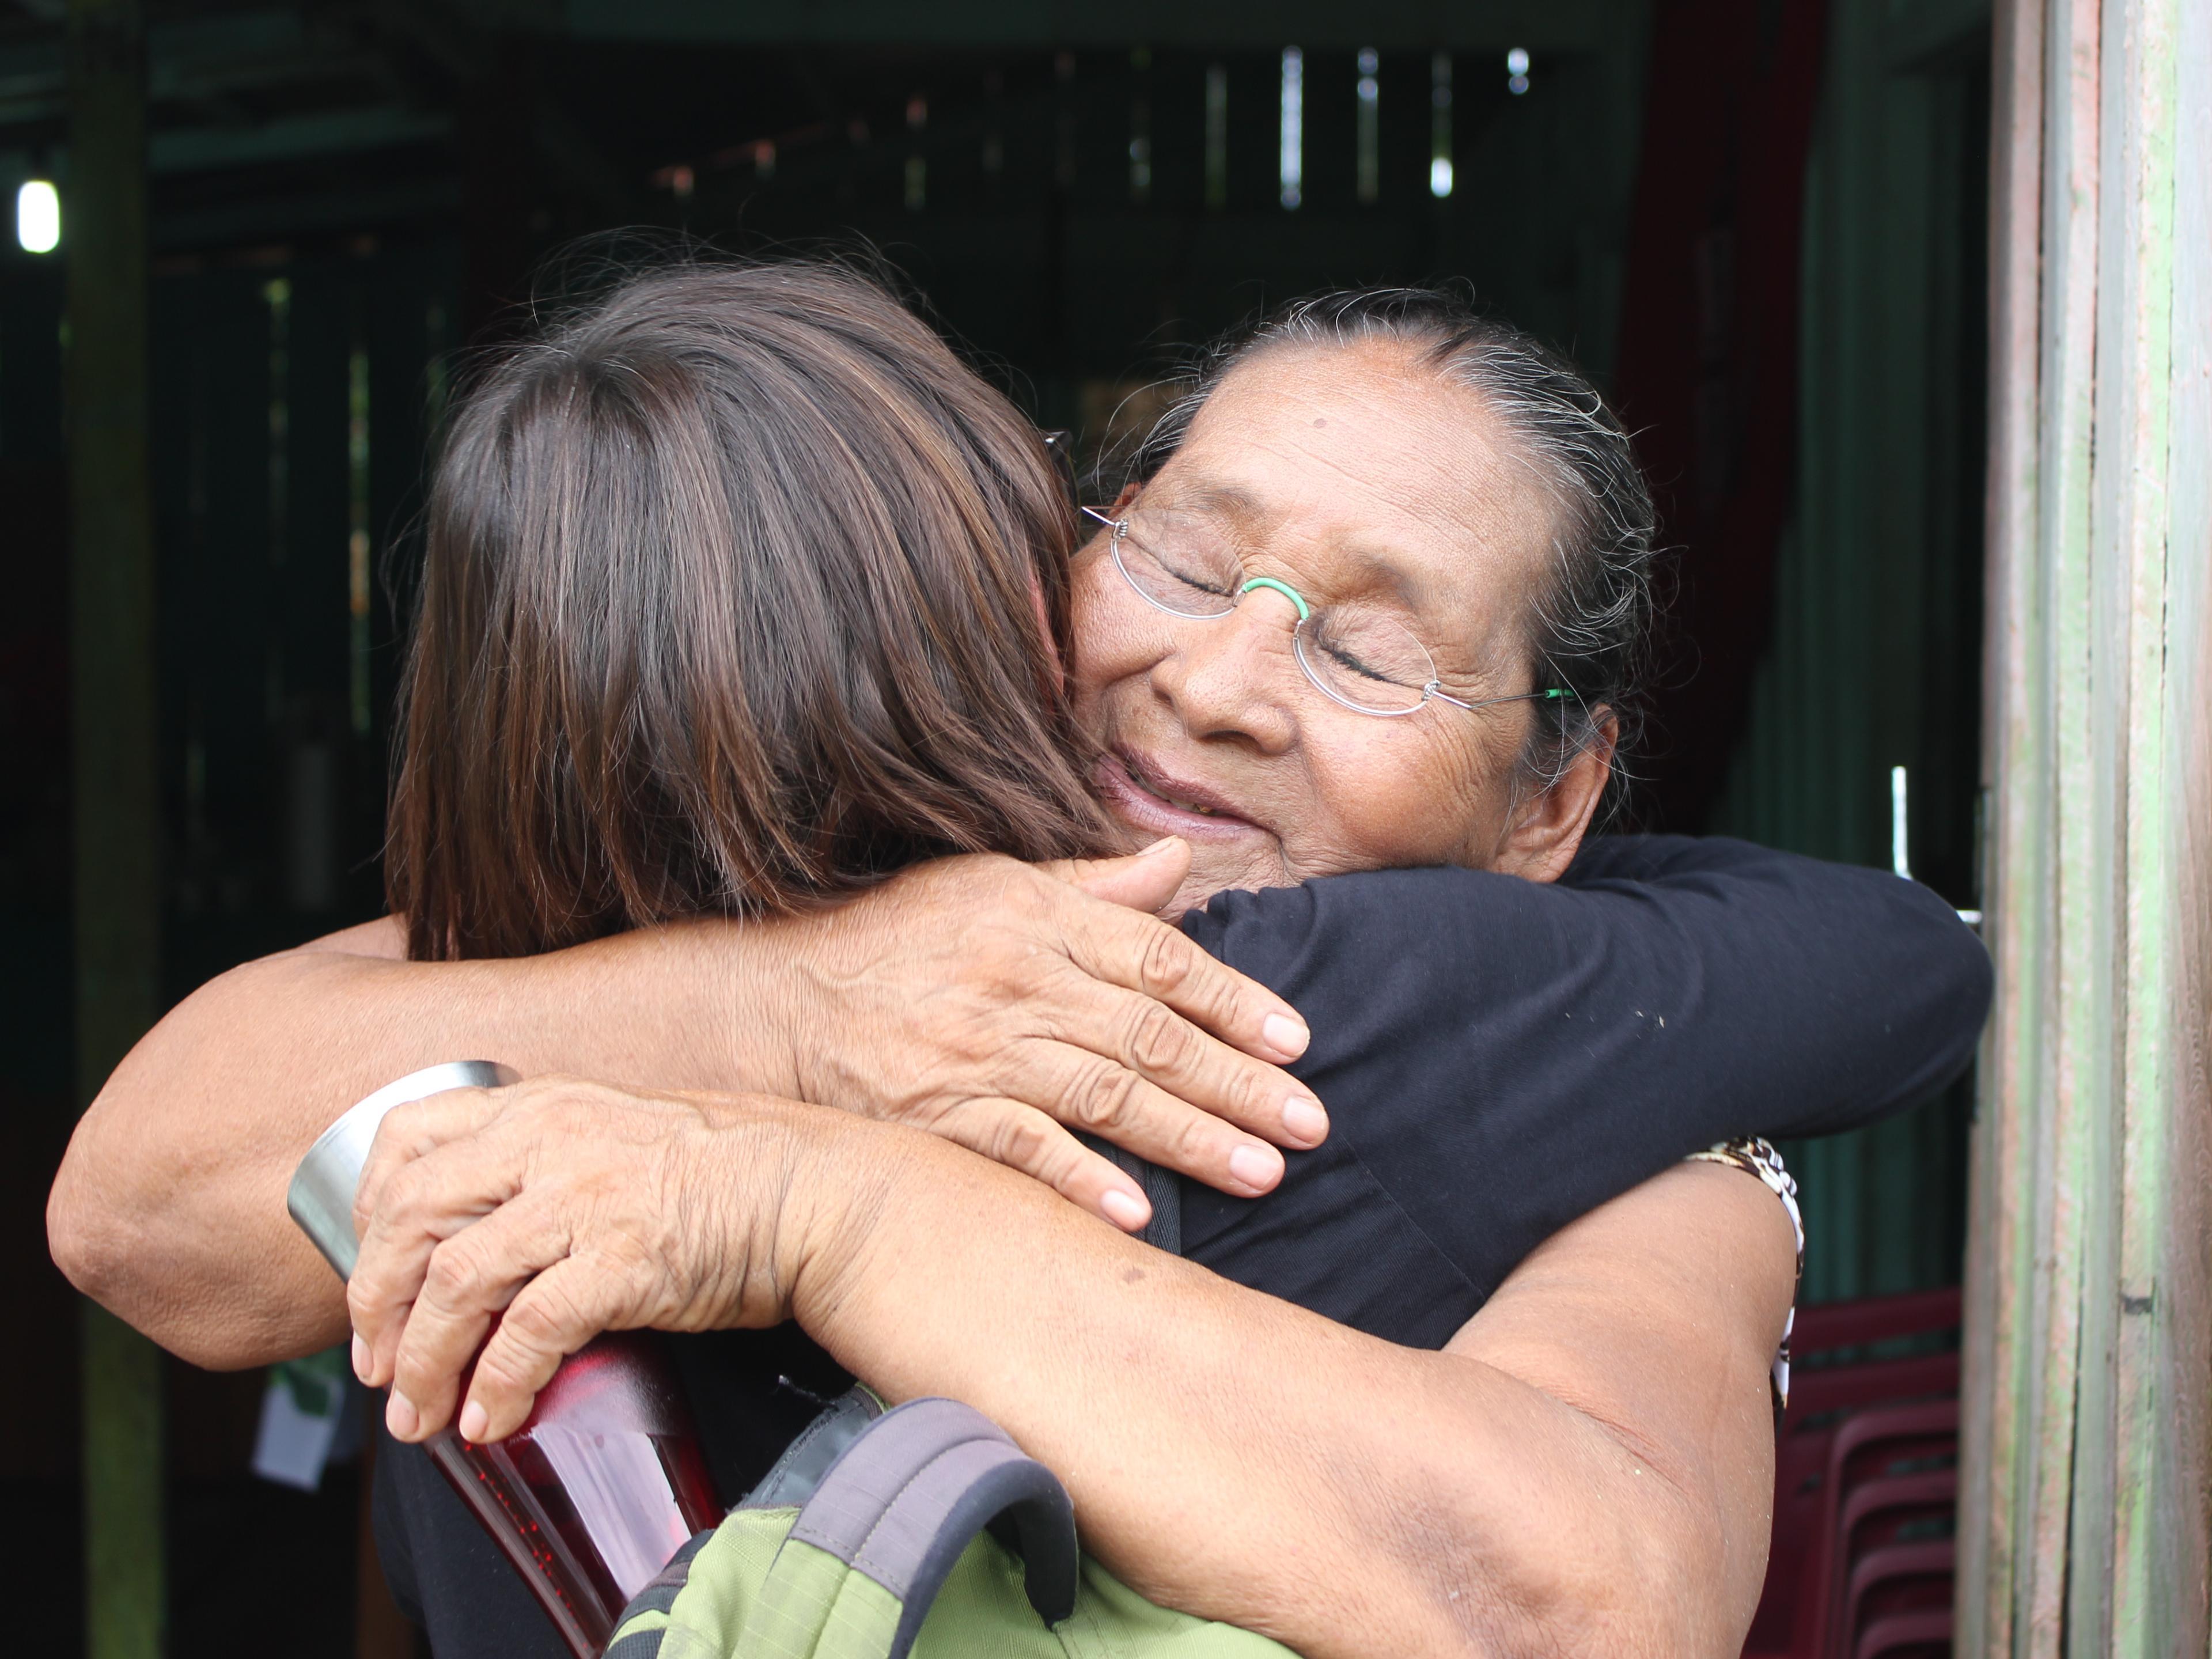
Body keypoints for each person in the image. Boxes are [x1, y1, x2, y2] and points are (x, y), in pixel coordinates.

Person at [49, 264, 1987, 1657]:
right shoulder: (732, 925)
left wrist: (826, 1202)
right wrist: (815, 1005)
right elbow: (138, 1202)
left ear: (1556, 803)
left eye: (1372, 650)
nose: (1223, 684)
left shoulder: (1598, 1105)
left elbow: (1584, 1604)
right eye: (1181, 556)